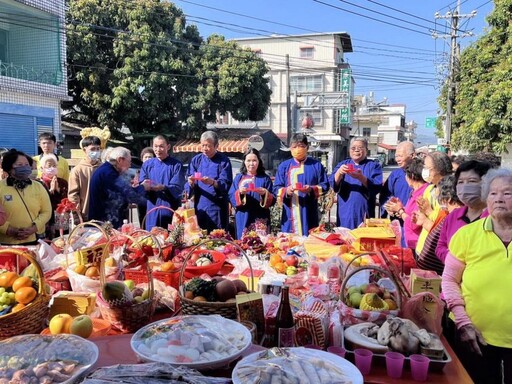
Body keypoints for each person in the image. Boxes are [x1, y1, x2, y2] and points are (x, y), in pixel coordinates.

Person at [442, 168, 512, 384]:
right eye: (493, 193)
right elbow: (450, 279)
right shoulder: (468, 235)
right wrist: (462, 321)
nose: (499, 199)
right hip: (473, 335)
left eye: (507, 193)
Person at [436, 160, 492, 264]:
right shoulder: (453, 216)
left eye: (472, 181)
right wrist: (454, 260)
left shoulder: (495, 218)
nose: (465, 186)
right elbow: (440, 246)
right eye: (460, 182)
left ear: (486, 184)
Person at [273, 133, 329, 236]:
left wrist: (311, 189)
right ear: (290, 148)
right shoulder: (284, 166)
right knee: (290, 246)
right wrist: (287, 191)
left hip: (309, 211)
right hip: (290, 213)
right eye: (295, 146)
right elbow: (276, 188)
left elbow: (325, 186)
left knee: (310, 242)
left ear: (307, 147)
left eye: (302, 146)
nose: (298, 149)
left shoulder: (316, 165)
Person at [89, 147, 151, 229]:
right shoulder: (108, 173)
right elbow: (131, 195)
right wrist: (144, 187)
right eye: (129, 162)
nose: (129, 166)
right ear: (120, 160)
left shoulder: (107, 170)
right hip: (104, 223)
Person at [330, 137, 383, 229]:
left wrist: (361, 177)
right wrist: (339, 173)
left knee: (363, 239)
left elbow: (377, 186)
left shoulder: (374, 165)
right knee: (345, 237)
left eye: (360, 148)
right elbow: (332, 184)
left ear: (366, 150)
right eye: (353, 148)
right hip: (345, 210)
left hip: (364, 210)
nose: (356, 150)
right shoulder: (342, 164)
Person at [0, 149, 52, 245]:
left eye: (27, 164)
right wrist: (9, 230)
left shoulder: (38, 186)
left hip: (34, 240)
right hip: (5, 243)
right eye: (19, 165)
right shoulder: (1, 187)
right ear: (9, 167)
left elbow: (47, 211)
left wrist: (33, 228)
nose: (24, 167)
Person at [185, 131, 233, 233]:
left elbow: (226, 183)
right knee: (200, 237)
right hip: (200, 205)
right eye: (203, 145)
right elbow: (188, 181)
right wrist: (190, 183)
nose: (205, 149)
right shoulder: (196, 160)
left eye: (208, 146)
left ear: (216, 146)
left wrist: (213, 182)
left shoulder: (224, 161)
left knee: (218, 238)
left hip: (217, 207)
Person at [415, 175, 462, 275]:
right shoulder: (448, 214)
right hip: (428, 274)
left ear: (448, 199)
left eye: (440, 198)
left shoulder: (458, 218)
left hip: (439, 277)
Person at [139, 135, 184, 230]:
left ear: (168, 147)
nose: (158, 149)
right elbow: (142, 183)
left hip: (169, 208)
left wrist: (163, 187)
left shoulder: (176, 165)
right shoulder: (147, 165)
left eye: (161, 146)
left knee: (170, 239)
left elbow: (177, 187)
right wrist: (144, 185)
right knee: (152, 239)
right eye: (155, 146)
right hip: (152, 208)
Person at [229, 149, 275, 239]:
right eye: (248, 160)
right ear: (244, 162)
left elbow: (273, 198)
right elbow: (230, 195)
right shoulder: (239, 178)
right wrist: (240, 193)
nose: (251, 164)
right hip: (243, 215)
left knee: (261, 244)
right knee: (244, 243)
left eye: (254, 160)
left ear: (259, 161)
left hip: (260, 217)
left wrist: (265, 194)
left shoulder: (265, 178)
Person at [414, 151, 452, 255]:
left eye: (427, 168)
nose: (424, 171)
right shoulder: (429, 189)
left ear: (439, 170)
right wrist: (419, 215)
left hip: (437, 253)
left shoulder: (450, 194)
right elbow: (423, 217)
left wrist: (428, 212)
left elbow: (443, 228)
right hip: (423, 248)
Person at [384, 158, 428, 249]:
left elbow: (414, 223)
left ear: (411, 176)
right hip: (411, 242)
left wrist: (400, 210)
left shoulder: (422, 194)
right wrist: (401, 208)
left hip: (417, 244)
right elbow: (411, 214)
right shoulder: (415, 191)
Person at [68, 136, 102, 222]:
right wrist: (76, 215)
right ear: (84, 150)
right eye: (92, 149)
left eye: (98, 149)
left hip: (103, 214)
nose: (96, 152)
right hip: (85, 215)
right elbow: (73, 195)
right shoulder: (77, 170)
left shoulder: (103, 168)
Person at [380, 141, 415, 219]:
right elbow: (385, 196)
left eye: (400, 156)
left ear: (412, 155)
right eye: (396, 156)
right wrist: (389, 208)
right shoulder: (395, 175)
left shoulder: (422, 175)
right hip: (397, 222)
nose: (397, 160)